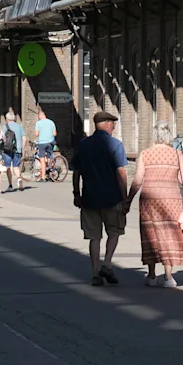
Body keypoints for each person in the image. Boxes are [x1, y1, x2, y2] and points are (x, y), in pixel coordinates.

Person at [124, 121, 183, 288]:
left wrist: (128, 199)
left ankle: (152, 275)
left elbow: (138, 179)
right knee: (169, 235)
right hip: (171, 201)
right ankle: (168, 277)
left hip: (149, 200)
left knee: (150, 234)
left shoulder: (145, 154)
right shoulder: (177, 154)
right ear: (169, 136)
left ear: (154, 136)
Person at [72, 110, 128, 286]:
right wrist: (125, 198)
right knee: (114, 231)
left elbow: (76, 172)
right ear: (106, 124)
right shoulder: (115, 145)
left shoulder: (83, 145)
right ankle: (108, 263)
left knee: (94, 237)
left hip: (90, 198)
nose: (114, 127)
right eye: (112, 124)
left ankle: (95, 273)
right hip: (112, 198)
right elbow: (121, 173)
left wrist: (76, 194)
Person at [1, 111, 25, 192]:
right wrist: (22, 148)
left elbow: (2, 138)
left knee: (8, 167)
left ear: (7, 119)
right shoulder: (19, 126)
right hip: (17, 149)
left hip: (7, 149)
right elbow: (24, 138)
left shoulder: (5, 127)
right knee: (16, 166)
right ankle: (18, 178)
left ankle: (10, 185)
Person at [34, 107, 57, 182]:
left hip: (42, 143)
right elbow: (54, 133)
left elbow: (36, 134)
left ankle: (43, 177)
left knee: (42, 160)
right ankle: (52, 173)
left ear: (40, 116)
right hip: (50, 143)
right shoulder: (51, 122)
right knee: (50, 157)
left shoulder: (38, 123)